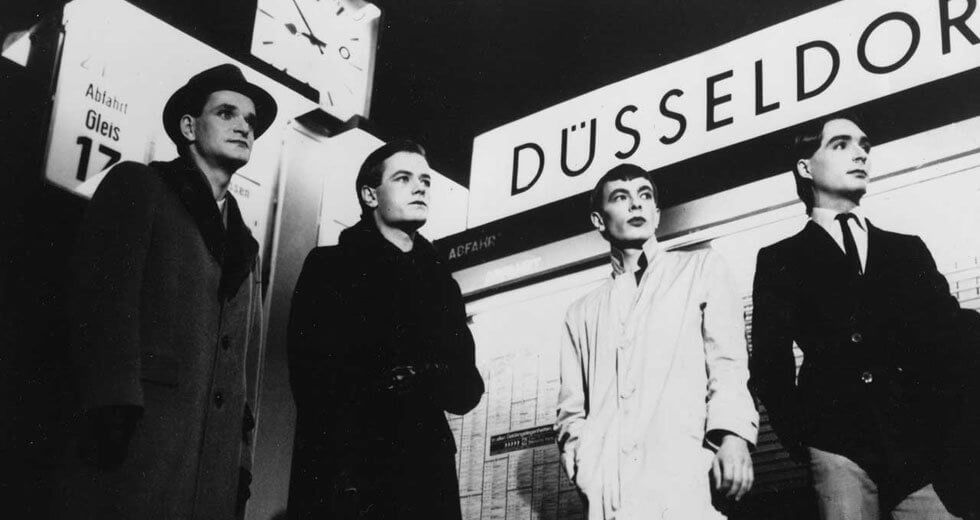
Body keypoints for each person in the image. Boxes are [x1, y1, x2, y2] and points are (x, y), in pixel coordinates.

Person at [56, 64, 277, 520]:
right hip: (139, 447)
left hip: (212, 471)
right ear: (189, 127)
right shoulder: (140, 186)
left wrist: (241, 462)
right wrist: (112, 414)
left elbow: (246, 368)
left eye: (251, 121)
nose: (244, 126)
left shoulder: (247, 246)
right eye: (227, 113)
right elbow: (103, 307)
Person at [750, 114, 979, 519]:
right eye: (840, 144)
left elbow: (951, 335)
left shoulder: (907, 250)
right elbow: (771, 364)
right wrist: (804, 441)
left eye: (864, 146)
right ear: (805, 167)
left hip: (915, 447)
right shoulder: (779, 259)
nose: (860, 154)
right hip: (836, 447)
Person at [287, 140, 485, 519]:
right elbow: (311, 381)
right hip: (355, 473)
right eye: (403, 178)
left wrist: (423, 375)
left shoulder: (441, 284)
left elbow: (467, 388)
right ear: (370, 195)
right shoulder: (331, 267)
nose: (420, 188)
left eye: (425, 180)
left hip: (428, 476)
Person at [555, 164, 759, 519]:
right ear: (599, 220)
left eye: (645, 195)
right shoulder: (581, 312)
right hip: (611, 495)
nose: (636, 204)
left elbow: (728, 364)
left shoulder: (700, 269)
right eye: (621, 197)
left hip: (686, 478)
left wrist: (733, 436)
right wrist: (586, 468)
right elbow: (571, 411)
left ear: (657, 213)